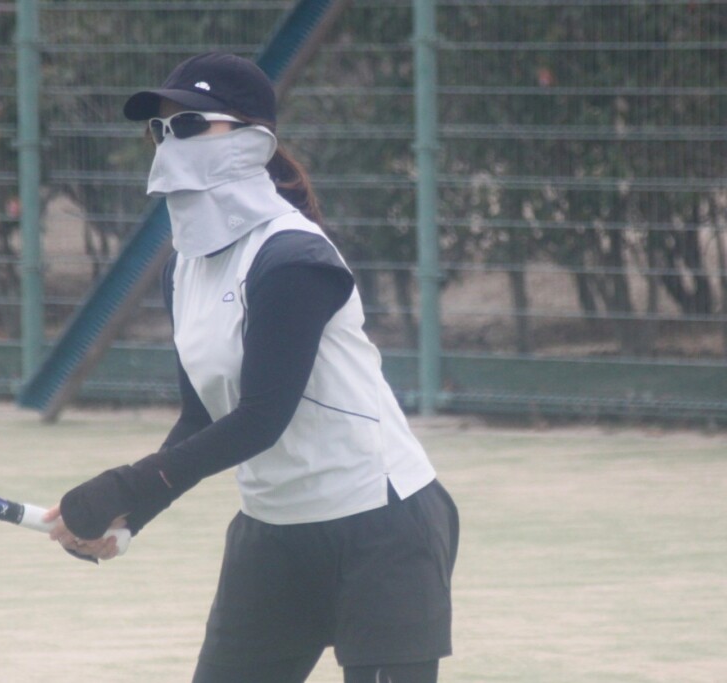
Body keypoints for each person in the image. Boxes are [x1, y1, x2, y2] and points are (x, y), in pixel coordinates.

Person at [45, 52, 459, 683]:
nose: (169, 143)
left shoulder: (293, 258)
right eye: (160, 128)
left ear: (252, 141)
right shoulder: (182, 270)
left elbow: (262, 417)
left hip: (381, 529)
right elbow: (201, 417)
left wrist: (123, 489)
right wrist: (132, 517)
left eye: (190, 124)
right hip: (271, 534)